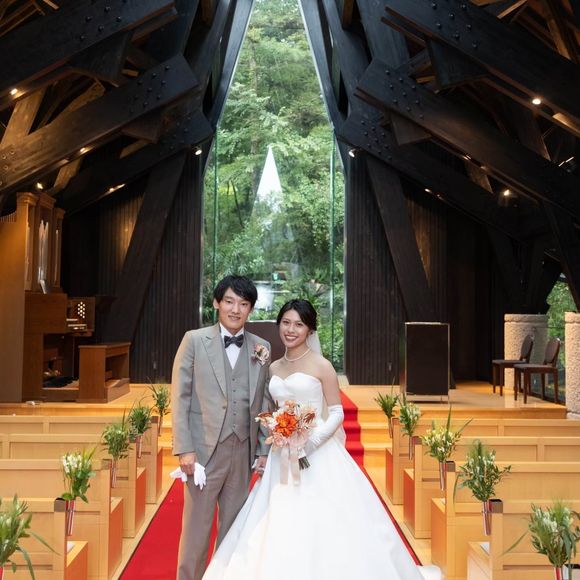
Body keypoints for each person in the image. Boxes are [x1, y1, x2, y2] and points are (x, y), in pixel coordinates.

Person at [202, 299, 441, 580]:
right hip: (282, 455)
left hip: (318, 452)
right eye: (286, 323)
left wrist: (311, 441)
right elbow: (271, 408)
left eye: (298, 325)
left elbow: (337, 412)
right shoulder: (273, 367)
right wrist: (279, 433)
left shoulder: (321, 365)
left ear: (310, 330)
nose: (291, 330)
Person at [171, 275, 272, 580]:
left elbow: (265, 402)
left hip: (242, 453)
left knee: (233, 532)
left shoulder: (262, 348)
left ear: (250, 309)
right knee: (196, 532)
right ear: (217, 303)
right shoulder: (194, 340)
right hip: (204, 452)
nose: (235, 309)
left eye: (243, 304)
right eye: (229, 301)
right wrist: (184, 448)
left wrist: (263, 450)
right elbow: (180, 397)